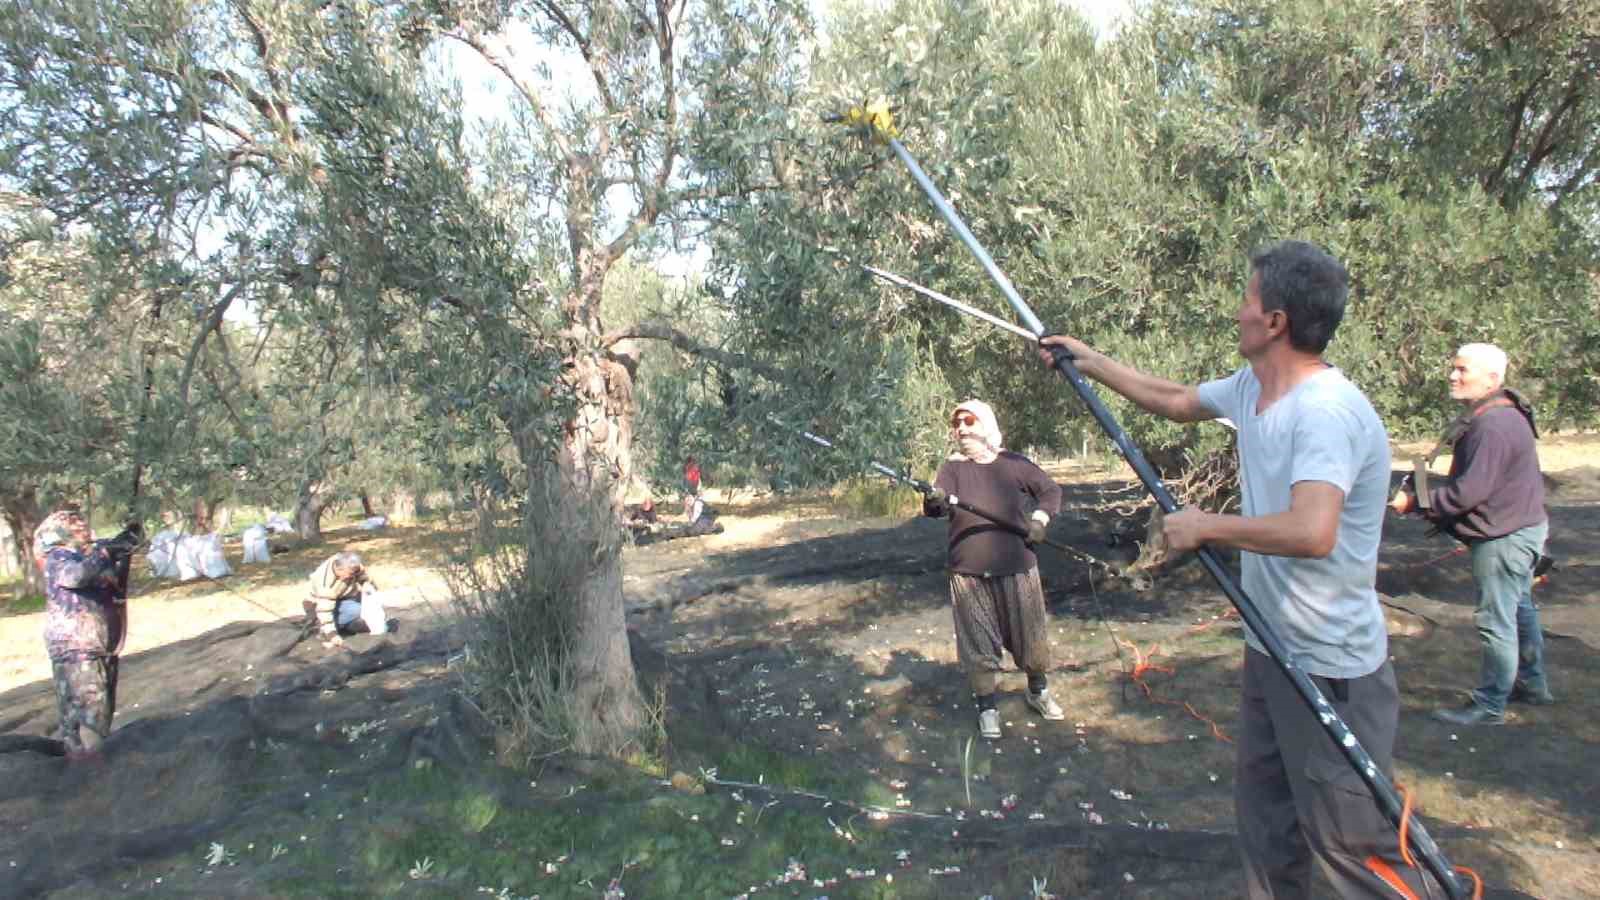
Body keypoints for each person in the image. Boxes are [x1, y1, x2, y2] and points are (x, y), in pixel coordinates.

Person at [1037, 240, 1438, 898]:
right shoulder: (1254, 386)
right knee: (1267, 829)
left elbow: (1313, 531)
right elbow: (1175, 399)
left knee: (1351, 845)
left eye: (1247, 300)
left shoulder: (1325, 412)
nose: (1237, 311)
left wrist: (1207, 527)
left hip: (1331, 667)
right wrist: (1090, 361)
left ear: (1275, 321)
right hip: (1270, 648)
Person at [1391, 343, 1551, 724]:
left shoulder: (1493, 425)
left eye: (1463, 370)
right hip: (1519, 528)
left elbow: (1468, 493)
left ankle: (1490, 704)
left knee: (1496, 619)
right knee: (1519, 608)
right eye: (1454, 368)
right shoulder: (1499, 414)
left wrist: (1415, 504)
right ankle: (1532, 684)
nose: (1452, 375)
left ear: (1492, 379)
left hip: (1505, 538)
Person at [923, 399, 1064, 740]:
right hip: (968, 572)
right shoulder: (952, 469)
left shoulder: (1013, 463)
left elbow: (1050, 491)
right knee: (977, 643)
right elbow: (938, 506)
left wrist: (1039, 520)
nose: (961, 428)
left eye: (968, 420)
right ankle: (987, 707)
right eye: (956, 423)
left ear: (985, 424)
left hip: (1018, 567)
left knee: (1030, 637)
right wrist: (934, 499)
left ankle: (1038, 691)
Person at [34, 507, 137, 761]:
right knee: (88, 719)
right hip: (77, 651)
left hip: (98, 646)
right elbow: (77, 576)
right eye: (73, 523)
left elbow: (113, 585)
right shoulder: (58, 558)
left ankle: (85, 767)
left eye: (81, 521)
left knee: (99, 715)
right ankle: (92, 772)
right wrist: (106, 553)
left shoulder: (87, 557)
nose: (82, 526)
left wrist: (124, 547)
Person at [304, 551, 391, 647]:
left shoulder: (349, 564)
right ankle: (321, 626)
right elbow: (324, 611)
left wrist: (366, 583)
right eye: (350, 574)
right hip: (317, 605)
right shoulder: (325, 584)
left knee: (368, 611)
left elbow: (362, 574)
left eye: (353, 573)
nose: (352, 577)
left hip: (342, 598)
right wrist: (332, 635)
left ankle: (345, 623)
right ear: (339, 570)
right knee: (356, 610)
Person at [682, 455, 703, 520]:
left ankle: (693, 519)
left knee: (695, 503)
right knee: (689, 503)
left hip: (694, 487)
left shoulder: (695, 469)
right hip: (690, 487)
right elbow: (685, 479)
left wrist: (698, 490)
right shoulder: (687, 469)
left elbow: (697, 479)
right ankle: (691, 519)